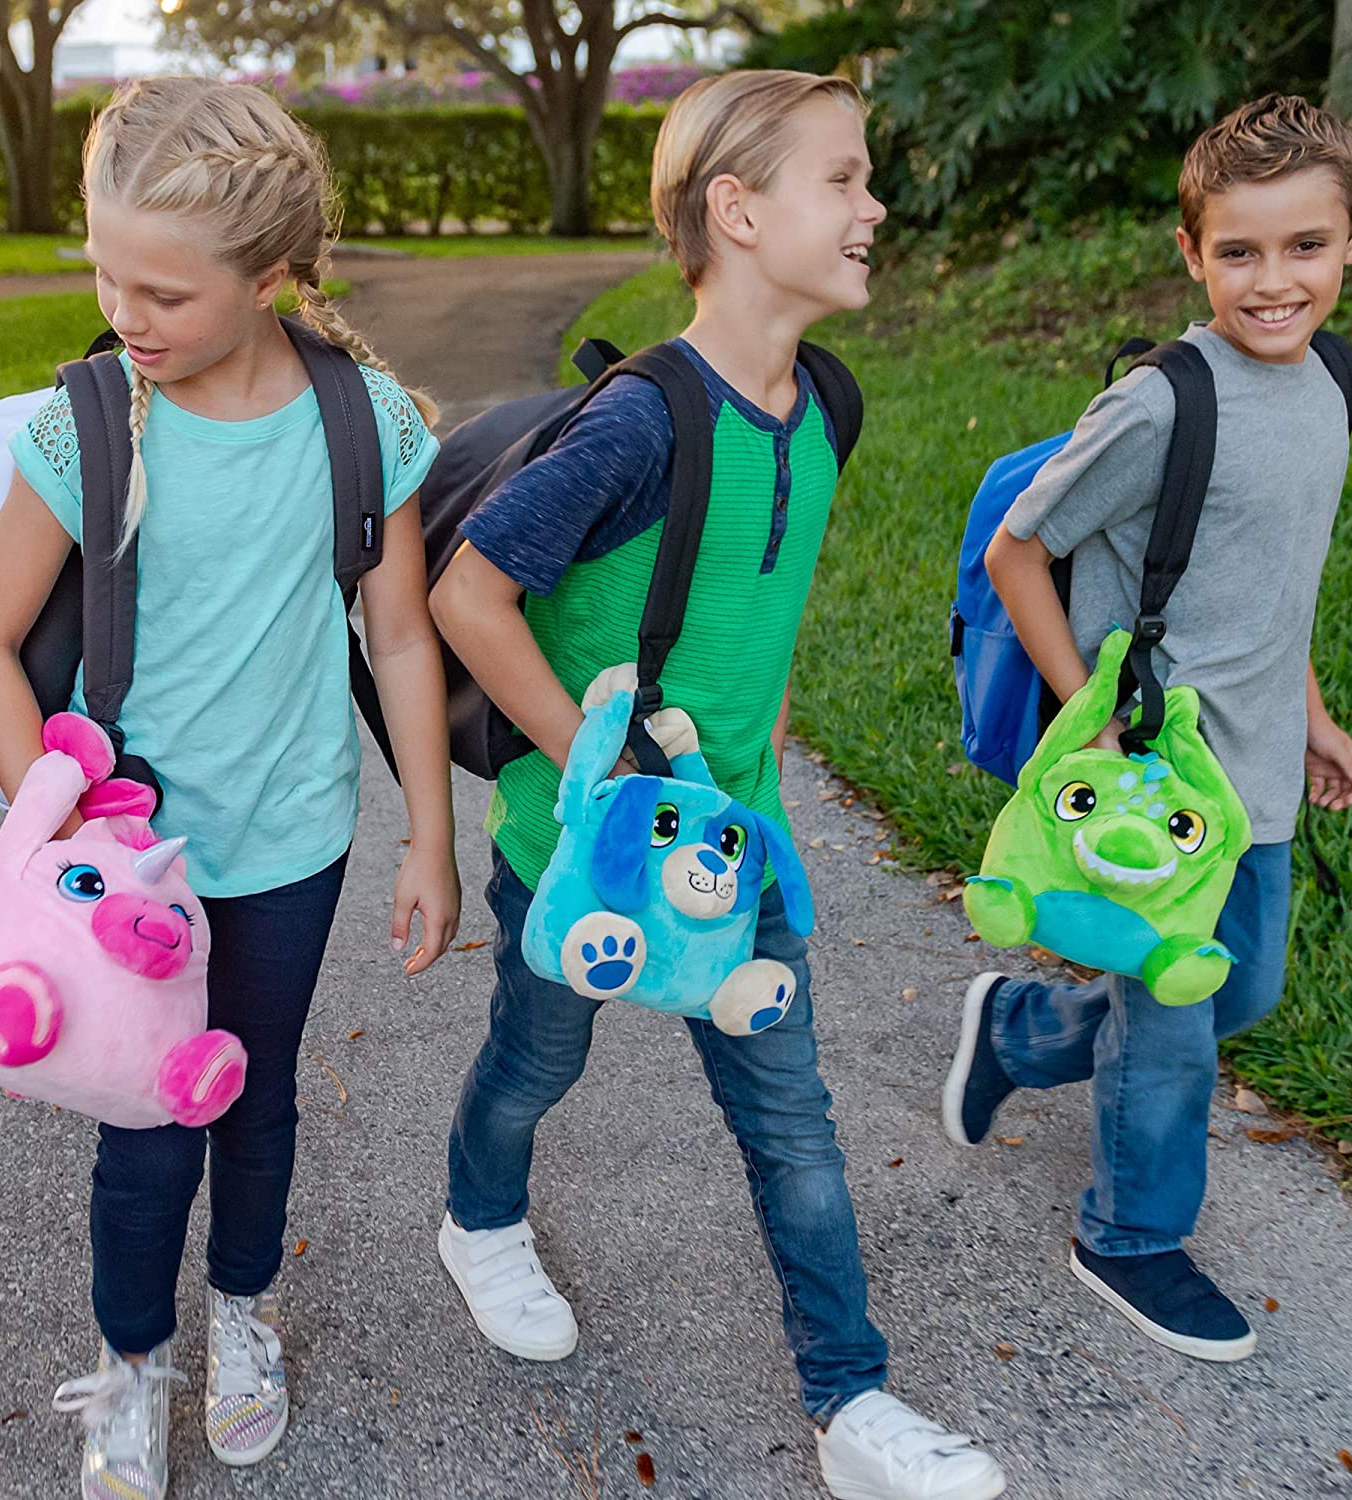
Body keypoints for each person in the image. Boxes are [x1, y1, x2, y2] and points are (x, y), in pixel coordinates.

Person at [430, 70, 1007, 1500]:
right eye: (846, 180)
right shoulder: (638, 425)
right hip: (583, 848)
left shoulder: (829, 407)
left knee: (789, 1117)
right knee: (537, 1059)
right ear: (739, 213)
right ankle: (478, 1219)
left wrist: (765, 812)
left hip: (729, 849)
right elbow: (468, 592)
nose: (876, 207)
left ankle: (851, 1401)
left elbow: (766, 627)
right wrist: (595, 772)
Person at [0, 76, 461, 1500]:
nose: (127, 312)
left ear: (276, 275)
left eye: (164, 290)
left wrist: (433, 832)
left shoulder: (362, 423)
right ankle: (132, 1357)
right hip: (128, 873)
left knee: (253, 1099)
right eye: (106, 273)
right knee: (143, 1129)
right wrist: (46, 835)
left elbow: (402, 632)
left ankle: (243, 1314)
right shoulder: (95, 426)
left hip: (294, 843)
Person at [944, 92, 1352, 1362]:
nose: (1274, 280)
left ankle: (1020, 1034)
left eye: (1306, 245)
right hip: (1152, 785)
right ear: (1192, 253)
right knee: (1176, 1027)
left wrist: (1312, 714)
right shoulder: (1162, 404)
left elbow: (1268, 583)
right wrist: (1091, 723)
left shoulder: (1334, 382)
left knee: (1239, 991)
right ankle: (1128, 1236)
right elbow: (1023, 550)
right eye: (1238, 250)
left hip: (1256, 774)